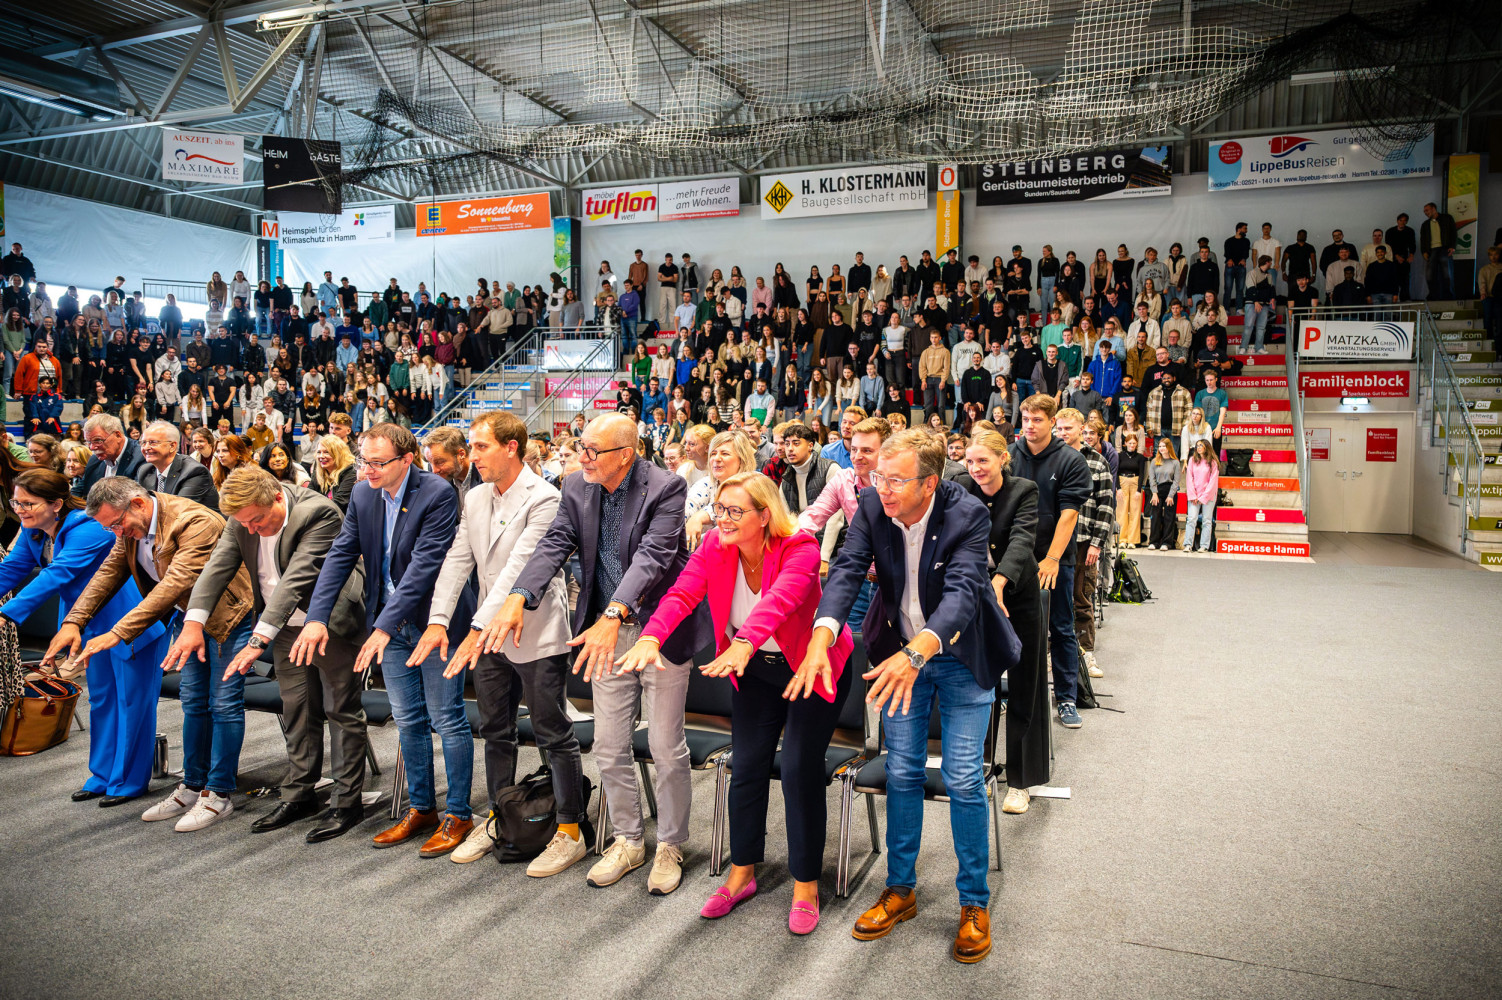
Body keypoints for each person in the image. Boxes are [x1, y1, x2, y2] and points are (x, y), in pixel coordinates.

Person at [803, 429, 1018, 963]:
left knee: (963, 777)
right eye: (879, 476)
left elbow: (963, 594)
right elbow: (847, 569)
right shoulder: (872, 505)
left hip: (961, 655)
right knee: (901, 771)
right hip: (896, 649)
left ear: (930, 482)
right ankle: (900, 890)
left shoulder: (967, 513)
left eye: (896, 480)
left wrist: (917, 655)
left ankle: (974, 903)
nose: (882, 488)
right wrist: (822, 635)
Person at [616, 471, 854, 932]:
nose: (720, 519)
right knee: (745, 767)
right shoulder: (714, 546)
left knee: (799, 768)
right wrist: (651, 636)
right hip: (755, 670)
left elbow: (780, 601)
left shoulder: (800, 547)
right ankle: (742, 872)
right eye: (719, 509)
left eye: (734, 511)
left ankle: (806, 883)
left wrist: (743, 641)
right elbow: (682, 594)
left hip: (809, 667)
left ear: (764, 516)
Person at [493, 413, 712, 895]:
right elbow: (555, 543)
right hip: (604, 633)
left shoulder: (666, 487)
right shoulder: (576, 486)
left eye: (593, 450)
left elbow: (653, 557)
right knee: (610, 747)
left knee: (665, 746)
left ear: (625, 454)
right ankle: (628, 840)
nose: (583, 457)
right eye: (581, 447)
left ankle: (670, 844)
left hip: (659, 631)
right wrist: (518, 595)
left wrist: (615, 613)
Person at [412, 412, 586, 874]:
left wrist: (475, 629)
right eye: (471, 446)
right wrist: (438, 620)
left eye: (481, 446)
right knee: (495, 729)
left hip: (534, 630)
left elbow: (519, 571)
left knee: (552, 731)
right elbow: (458, 560)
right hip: (488, 634)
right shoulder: (474, 497)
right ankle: (498, 816)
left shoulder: (545, 496)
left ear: (511, 447)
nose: (472, 455)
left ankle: (569, 829)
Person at [294, 423, 475, 857]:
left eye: (378, 463)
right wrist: (316, 617)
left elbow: (423, 568)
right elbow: (340, 554)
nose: (368, 470)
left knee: (446, 718)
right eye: (364, 460)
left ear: (407, 460)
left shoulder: (437, 493)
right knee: (408, 720)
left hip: (435, 622)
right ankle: (422, 808)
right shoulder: (362, 493)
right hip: (389, 624)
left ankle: (459, 813)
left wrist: (382, 627)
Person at [46, 477, 255, 831]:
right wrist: (74, 621)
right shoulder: (130, 525)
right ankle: (193, 785)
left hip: (228, 618)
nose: (117, 533)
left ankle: (218, 792)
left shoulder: (194, 521)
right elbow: (108, 573)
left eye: (117, 524)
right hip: (188, 619)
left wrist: (117, 632)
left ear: (139, 504)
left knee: (223, 703)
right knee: (194, 702)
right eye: (110, 527)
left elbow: (174, 584)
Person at [178, 466, 370, 842]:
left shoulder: (318, 513)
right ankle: (299, 795)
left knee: (340, 711)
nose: (251, 529)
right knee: (297, 710)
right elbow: (216, 569)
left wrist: (257, 641)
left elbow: (296, 580)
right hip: (282, 627)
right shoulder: (244, 517)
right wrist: (193, 623)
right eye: (244, 523)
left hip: (327, 621)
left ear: (278, 497)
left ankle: (347, 802)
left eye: (258, 520)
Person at [0, 469, 168, 805]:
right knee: (102, 700)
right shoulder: (34, 530)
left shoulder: (89, 528)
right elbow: (10, 570)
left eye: (28, 503)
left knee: (132, 703)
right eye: (16, 502)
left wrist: (6, 614)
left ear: (56, 504)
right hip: (89, 628)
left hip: (130, 624)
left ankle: (128, 781)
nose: (20, 509)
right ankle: (102, 775)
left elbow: (56, 574)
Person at [961, 431, 1048, 815]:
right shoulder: (960, 488)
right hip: (977, 598)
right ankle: (980, 771)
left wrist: (998, 583)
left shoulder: (1023, 490)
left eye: (983, 460)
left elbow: (1021, 541)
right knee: (981, 685)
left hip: (1018, 596)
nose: (975, 468)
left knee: (1025, 685)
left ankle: (1021, 782)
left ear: (1002, 459)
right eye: (970, 461)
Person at [1008, 395, 1091, 729]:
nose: (1030, 425)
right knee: (1010, 626)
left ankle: (1067, 698)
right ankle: (1012, 694)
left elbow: (1069, 515)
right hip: (1014, 558)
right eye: (1026, 419)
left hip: (1056, 559)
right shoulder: (1010, 455)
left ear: (1052, 422)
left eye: (1037, 419)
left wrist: (1053, 559)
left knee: (1060, 628)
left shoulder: (1071, 459)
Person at [1055, 409, 1113, 682]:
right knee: (1051, 601)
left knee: (1081, 599)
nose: (1063, 433)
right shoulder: (1050, 457)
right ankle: (1051, 654)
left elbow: (1106, 506)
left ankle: (1086, 654)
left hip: (1083, 542)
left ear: (1081, 429)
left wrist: (1096, 544)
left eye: (1068, 428)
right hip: (1053, 541)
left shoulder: (1098, 461)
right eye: (1059, 428)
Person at [136, 421, 218, 510]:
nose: (146, 447)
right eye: (143, 442)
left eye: (153, 442)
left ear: (172, 446)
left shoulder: (194, 472)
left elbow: (177, 511)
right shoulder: (145, 470)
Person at [76, 413, 145, 497]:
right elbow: (78, 492)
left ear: (118, 435)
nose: (92, 447)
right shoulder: (94, 460)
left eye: (98, 440)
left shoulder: (141, 457)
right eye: (88, 442)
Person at [1182, 439, 1220, 553]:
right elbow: (1189, 478)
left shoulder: (1213, 462)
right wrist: (1193, 495)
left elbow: (1213, 482)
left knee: (1207, 520)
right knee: (1191, 519)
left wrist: (1204, 497)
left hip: (1208, 496)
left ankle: (1204, 545)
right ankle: (1188, 544)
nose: (1198, 447)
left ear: (1206, 447)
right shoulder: (1192, 460)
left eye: (1201, 445)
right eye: (1197, 446)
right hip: (1194, 495)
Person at [1146, 439, 1182, 550]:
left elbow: (1176, 481)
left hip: (1170, 490)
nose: (1161, 448)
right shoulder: (1154, 461)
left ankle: (1167, 543)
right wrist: (1154, 493)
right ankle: (1154, 542)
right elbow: (1152, 479)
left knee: (1169, 517)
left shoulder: (1175, 462)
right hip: (1157, 490)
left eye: (1164, 446)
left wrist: (1171, 495)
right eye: (1160, 446)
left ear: (1169, 447)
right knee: (1155, 517)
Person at [311, 436, 357, 512]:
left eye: (326, 452)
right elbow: (308, 496)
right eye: (319, 452)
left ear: (338, 454)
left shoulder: (351, 472)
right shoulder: (318, 472)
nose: (321, 456)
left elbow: (338, 503)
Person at [1116, 435, 1146, 548]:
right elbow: (1116, 472)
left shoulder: (1140, 457)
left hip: (1135, 482)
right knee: (1121, 511)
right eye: (1130, 443)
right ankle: (1121, 540)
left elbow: (1142, 473)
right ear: (1125, 443)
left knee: (1135, 512)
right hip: (1122, 481)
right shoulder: (1119, 456)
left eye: (1134, 443)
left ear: (1137, 444)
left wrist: (1139, 490)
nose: (1132, 445)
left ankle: (1132, 540)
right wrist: (1118, 488)